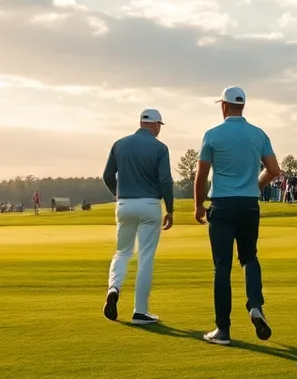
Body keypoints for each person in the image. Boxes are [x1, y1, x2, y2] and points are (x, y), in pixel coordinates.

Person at [194, 86, 281, 345]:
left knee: (222, 266)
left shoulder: (212, 135)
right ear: (243, 106)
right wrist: (257, 184)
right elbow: (274, 170)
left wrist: (198, 206)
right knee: (249, 258)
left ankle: (223, 330)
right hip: (249, 205)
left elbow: (201, 175)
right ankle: (255, 305)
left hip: (222, 205)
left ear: (223, 106)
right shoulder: (258, 134)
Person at [101, 108, 174, 325]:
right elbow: (165, 181)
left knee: (122, 252)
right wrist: (170, 209)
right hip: (150, 205)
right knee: (145, 258)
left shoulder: (120, 144)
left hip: (124, 204)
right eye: (160, 125)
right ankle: (140, 312)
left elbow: (107, 175)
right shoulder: (160, 148)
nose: (160, 129)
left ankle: (113, 288)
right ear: (154, 124)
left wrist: (118, 194)